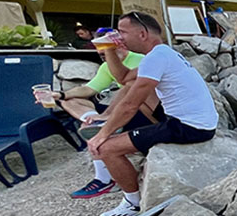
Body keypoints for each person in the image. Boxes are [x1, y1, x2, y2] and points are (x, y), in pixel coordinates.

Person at [88, 12, 218, 216]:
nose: (119, 37)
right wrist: (108, 48)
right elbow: (122, 77)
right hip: (197, 121)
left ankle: (132, 203)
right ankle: (133, 145)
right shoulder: (163, 53)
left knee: (106, 149)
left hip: (189, 127)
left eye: (122, 32)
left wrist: (102, 135)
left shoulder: (157, 58)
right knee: (135, 87)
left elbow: (130, 105)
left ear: (142, 34)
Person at [42, 31, 156, 198]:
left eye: (103, 51)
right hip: (123, 108)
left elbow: (131, 94)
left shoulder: (140, 60)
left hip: (141, 110)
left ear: (118, 46)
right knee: (70, 102)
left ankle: (104, 178)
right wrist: (60, 95)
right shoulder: (106, 66)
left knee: (129, 86)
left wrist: (109, 115)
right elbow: (89, 89)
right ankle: (96, 124)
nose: (100, 54)